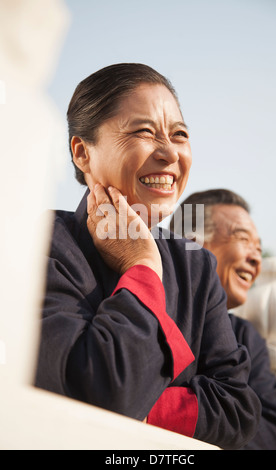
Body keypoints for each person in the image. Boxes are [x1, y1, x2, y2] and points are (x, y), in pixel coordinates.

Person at [35, 64, 261, 450]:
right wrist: (142, 267)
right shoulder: (38, 243)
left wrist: (139, 404)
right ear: (82, 152)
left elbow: (238, 410)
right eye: (143, 131)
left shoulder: (196, 268)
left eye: (180, 135)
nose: (170, 152)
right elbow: (106, 386)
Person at [170, 188, 276, 450]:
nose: (256, 258)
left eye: (259, 248)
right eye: (243, 239)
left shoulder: (246, 338)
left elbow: (272, 430)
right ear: (192, 243)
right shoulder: (144, 308)